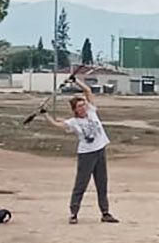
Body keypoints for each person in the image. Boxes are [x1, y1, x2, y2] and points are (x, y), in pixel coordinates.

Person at [46, 92, 118, 224]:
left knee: (102, 183)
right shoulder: (73, 122)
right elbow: (57, 125)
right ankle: (74, 213)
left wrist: (76, 81)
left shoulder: (91, 112)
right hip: (86, 154)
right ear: (75, 110)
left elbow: (89, 92)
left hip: (100, 151)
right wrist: (45, 114)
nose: (83, 107)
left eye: (84, 105)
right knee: (81, 184)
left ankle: (105, 213)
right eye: (80, 106)